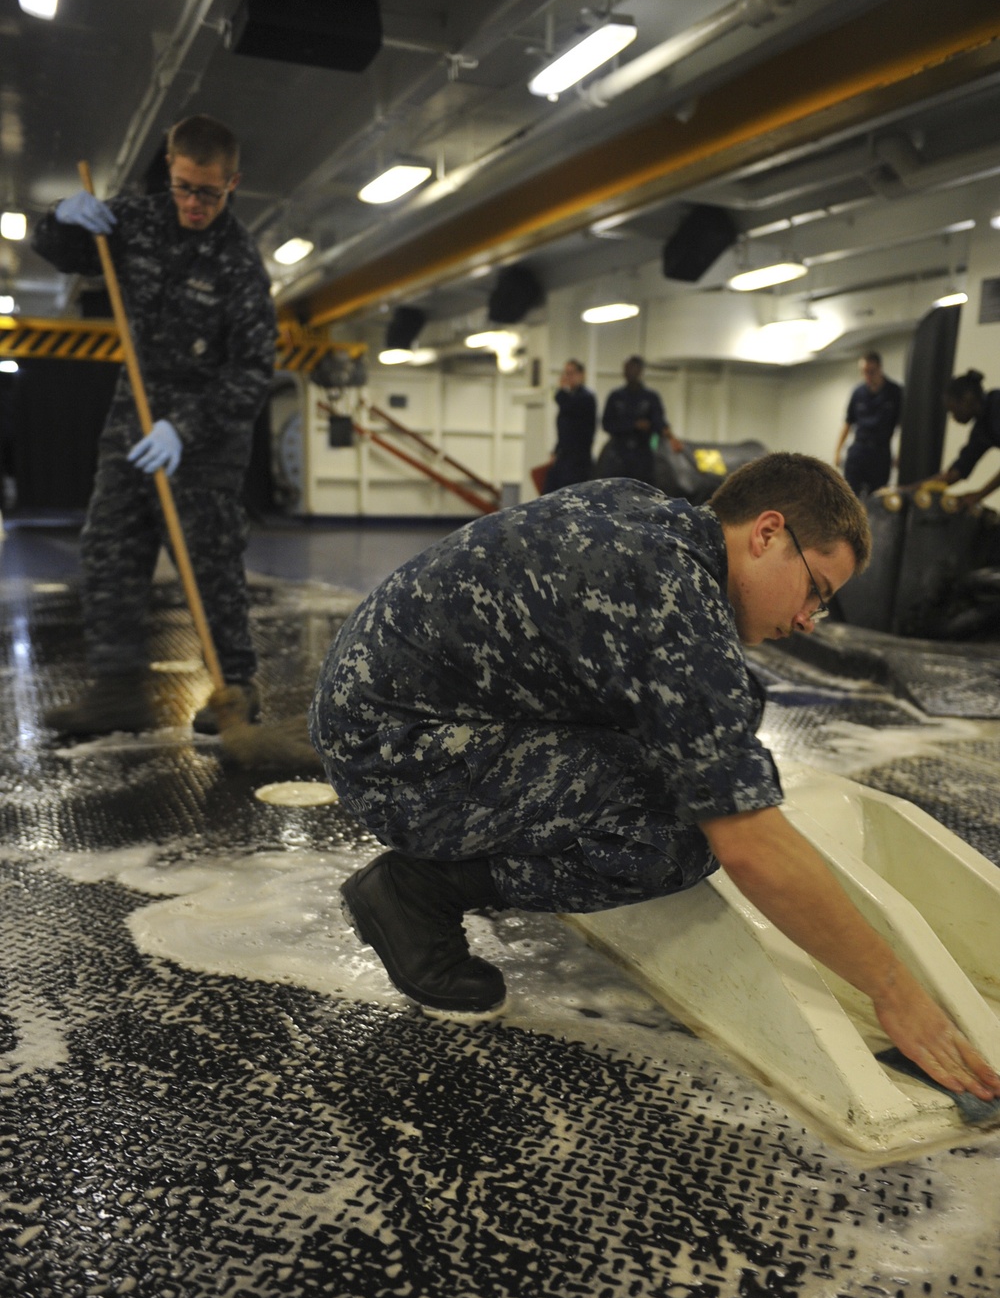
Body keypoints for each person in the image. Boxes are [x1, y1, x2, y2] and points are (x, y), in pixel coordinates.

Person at [310, 453, 1000, 1104]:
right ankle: (416, 891)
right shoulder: (670, 597)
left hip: (385, 712)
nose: (806, 620)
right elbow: (750, 846)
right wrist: (892, 988)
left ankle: (454, 858)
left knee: (719, 721)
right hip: (395, 760)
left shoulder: (650, 518)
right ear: (767, 534)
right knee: (678, 835)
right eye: (815, 591)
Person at [32, 114, 276, 735]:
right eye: (185, 187)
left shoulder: (239, 263)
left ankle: (235, 689)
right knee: (109, 547)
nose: (194, 203)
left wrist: (183, 429)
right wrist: (61, 217)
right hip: (132, 421)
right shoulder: (136, 221)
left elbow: (252, 372)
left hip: (207, 438)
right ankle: (117, 691)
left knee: (210, 565)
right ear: (170, 169)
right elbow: (61, 252)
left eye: (209, 193)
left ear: (232, 184)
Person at [599, 355, 683, 486]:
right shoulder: (615, 397)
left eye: (633, 369)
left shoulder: (650, 397)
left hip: (642, 456)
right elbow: (607, 424)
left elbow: (659, 423)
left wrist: (672, 439)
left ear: (640, 371)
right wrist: (633, 425)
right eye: (627, 369)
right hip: (618, 456)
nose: (629, 372)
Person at [834, 350, 903, 498]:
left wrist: (901, 452)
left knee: (877, 497)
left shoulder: (895, 392)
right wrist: (838, 451)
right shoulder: (858, 392)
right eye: (864, 372)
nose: (867, 376)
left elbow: (903, 426)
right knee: (849, 496)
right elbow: (848, 423)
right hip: (859, 450)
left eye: (871, 372)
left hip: (880, 452)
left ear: (879, 369)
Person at [938, 369, 1000, 508]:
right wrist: (911, 489)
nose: (953, 418)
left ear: (967, 399)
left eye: (953, 410)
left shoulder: (997, 405)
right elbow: (957, 472)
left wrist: (979, 495)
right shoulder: (981, 429)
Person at [542, 359, 596, 492]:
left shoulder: (586, 397)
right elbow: (565, 431)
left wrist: (561, 390)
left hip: (578, 460)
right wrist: (556, 451)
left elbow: (565, 404)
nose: (566, 377)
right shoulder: (570, 397)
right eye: (565, 373)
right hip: (564, 456)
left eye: (571, 373)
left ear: (581, 375)